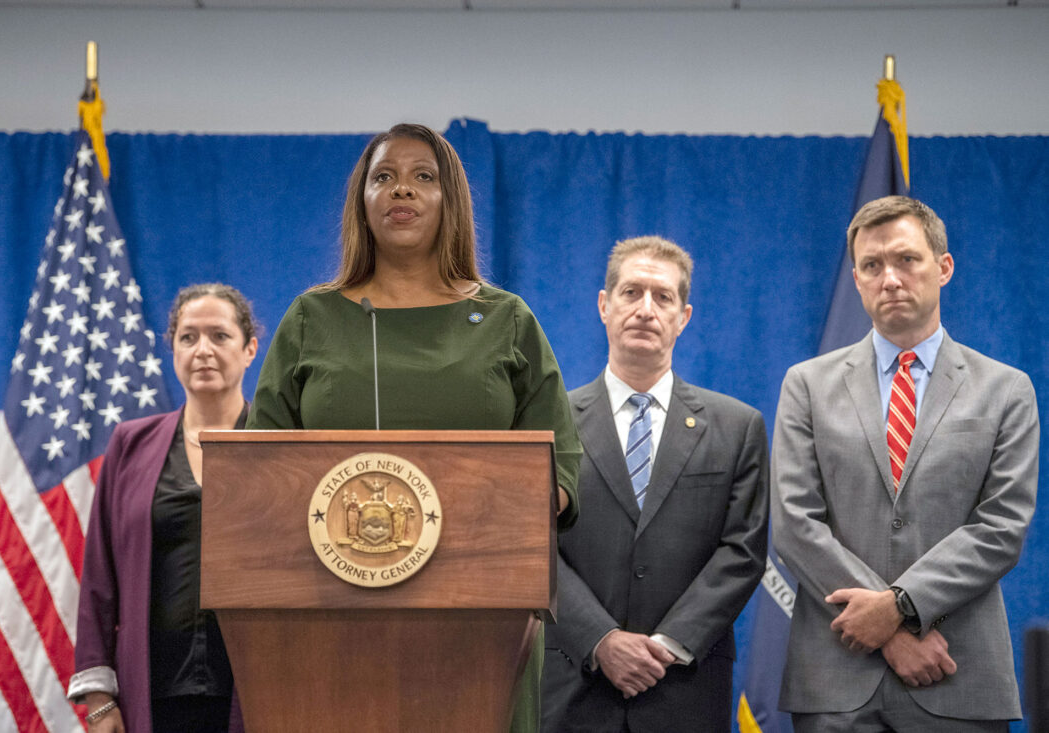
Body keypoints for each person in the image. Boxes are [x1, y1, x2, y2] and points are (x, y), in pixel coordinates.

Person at [245, 122, 580, 732]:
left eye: (423, 177)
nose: (402, 190)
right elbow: (256, 473)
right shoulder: (311, 317)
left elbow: (557, 472)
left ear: (451, 200)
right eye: (384, 177)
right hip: (327, 617)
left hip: (481, 620)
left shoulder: (505, 319)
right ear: (362, 201)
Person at [771, 196, 1039, 731]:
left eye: (907, 259)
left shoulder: (1006, 390)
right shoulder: (807, 385)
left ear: (944, 267)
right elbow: (795, 525)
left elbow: (1002, 527)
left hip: (957, 674)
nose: (889, 278)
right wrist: (891, 629)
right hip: (836, 678)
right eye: (872, 265)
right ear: (856, 279)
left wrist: (898, 607)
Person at [540, 235, 769, 732]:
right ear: (604, 305)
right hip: (573, 685)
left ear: (683, 317)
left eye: (662, 297)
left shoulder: (737, 427)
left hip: (685, 687)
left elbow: (743, 553)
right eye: (631, 292)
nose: (646, 309)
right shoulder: (549, 426)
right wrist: (601, 639)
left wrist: (665, 647)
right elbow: (533, 547)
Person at [69, 283, 259, 733]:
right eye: (188, 337)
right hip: (154, 694)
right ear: (172, 349)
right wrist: (99, 700)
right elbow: (99, 578)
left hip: (255, 691)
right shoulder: (130, 445)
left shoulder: (279, 445)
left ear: (250, 349)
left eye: (220, 335)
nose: (203, 350)